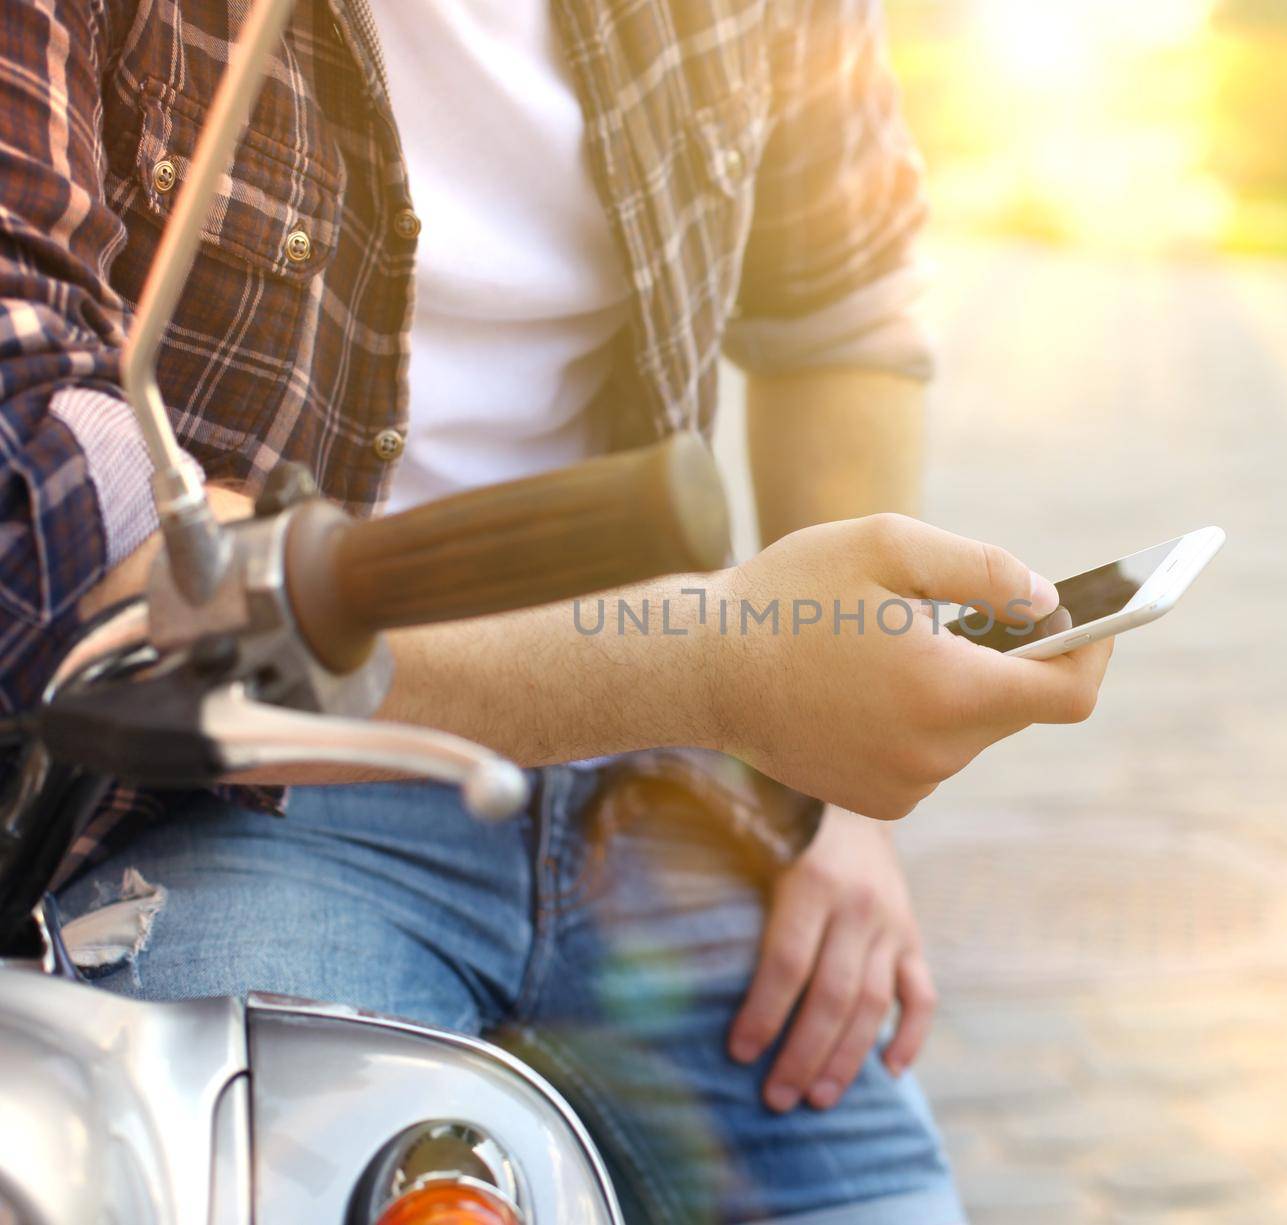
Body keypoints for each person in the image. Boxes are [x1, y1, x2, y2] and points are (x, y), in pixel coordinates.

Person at [0, 1, 1112, 1220]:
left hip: (653, 792)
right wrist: (719, 667)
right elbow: (57, 545)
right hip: (237, 799)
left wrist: (841, 814)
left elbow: (838, 311)